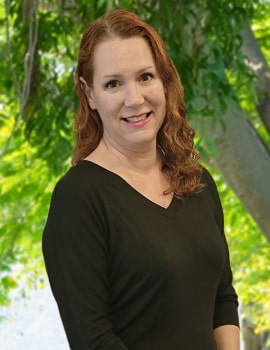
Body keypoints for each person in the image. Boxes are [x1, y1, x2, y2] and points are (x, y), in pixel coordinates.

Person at [42, 8, 240, 350]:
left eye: (145, 76)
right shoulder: (77, 199)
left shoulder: (198, 182)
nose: (134, 99)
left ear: (164, 80)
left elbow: (222, 297)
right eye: (113, 83)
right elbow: (94, 340)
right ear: (89, 94)